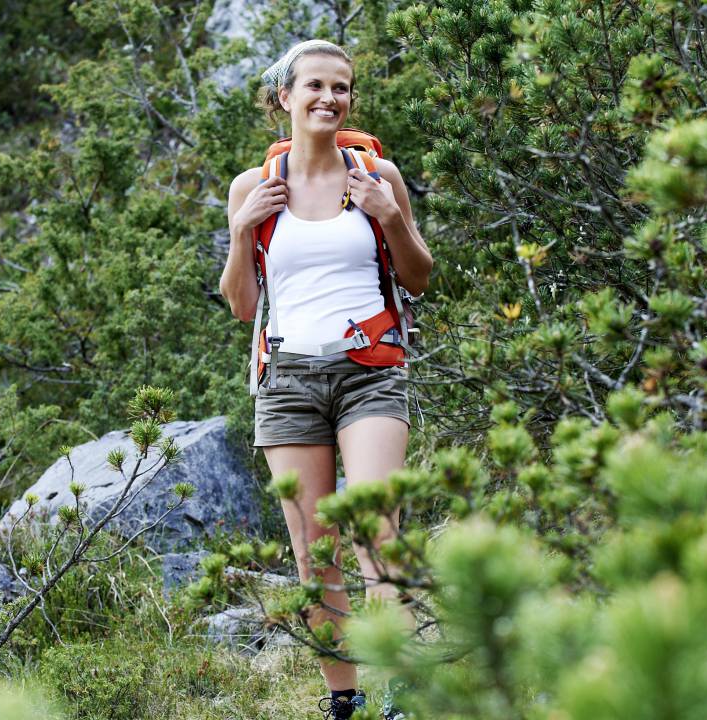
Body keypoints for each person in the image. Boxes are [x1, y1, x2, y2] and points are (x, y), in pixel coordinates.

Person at [219, 39, 434, 720]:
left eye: (341, 89)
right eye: (314, 86)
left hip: (372, 372)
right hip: (286, 379)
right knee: (316, 554)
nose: (328, 100)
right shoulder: (252, 190)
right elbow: (242, 306)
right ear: (284, 97)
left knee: (377, 529)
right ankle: (344, 701)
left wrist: (390, 215)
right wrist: (238, 233)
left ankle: (398, 694)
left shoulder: (378, 174)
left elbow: (420, 277)